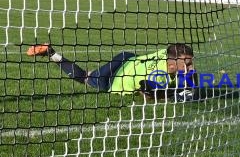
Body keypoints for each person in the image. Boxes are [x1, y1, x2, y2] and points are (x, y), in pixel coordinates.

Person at [26, 43, 198, 100]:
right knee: (85, 77)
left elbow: (189, 70)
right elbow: (147, 94)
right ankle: (51, 53)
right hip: (113, 80)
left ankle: (51, 53)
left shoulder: (168, 52)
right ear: (174, 61)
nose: (191, 65)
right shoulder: (158, 77)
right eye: (188, 62)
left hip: (126, 58)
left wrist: (190, 86)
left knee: (89, 73)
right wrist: (171, 95)